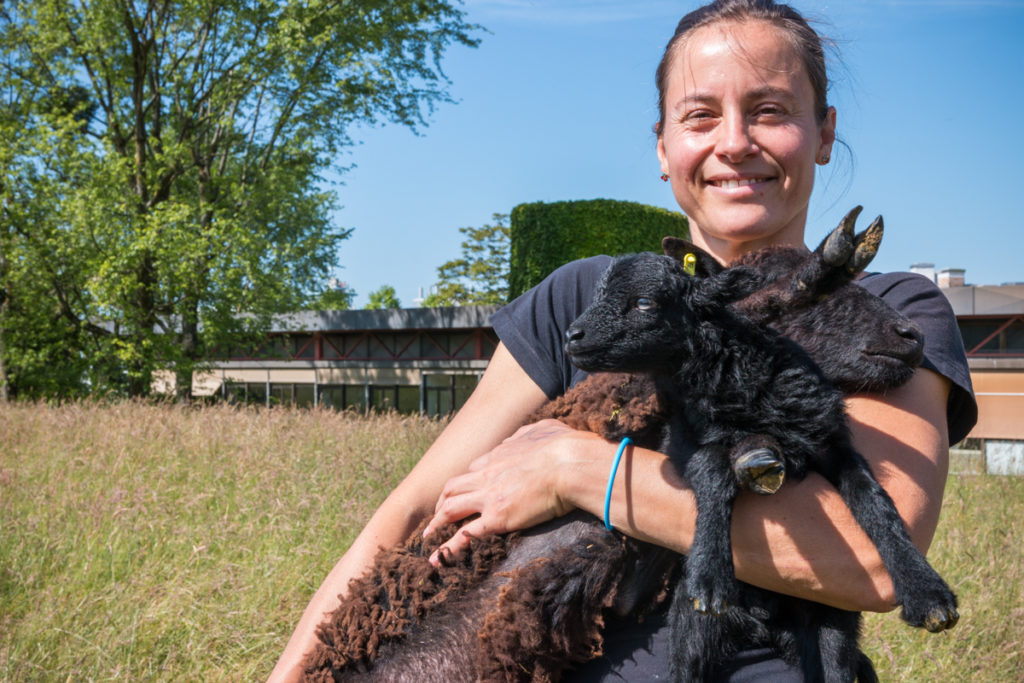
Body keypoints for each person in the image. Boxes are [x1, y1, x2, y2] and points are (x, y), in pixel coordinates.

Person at [269, 0, 977, 680]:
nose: (734, 140)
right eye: (701, 116)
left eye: (769, 110)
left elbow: (874, 561)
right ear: (663, 149)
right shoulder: (586, 298)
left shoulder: (884, 314)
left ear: (823, 133)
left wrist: (575, 470)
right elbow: (417, 510)